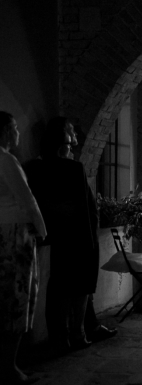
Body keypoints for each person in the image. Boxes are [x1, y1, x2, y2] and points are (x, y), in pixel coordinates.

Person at [23, 117, 101, 353]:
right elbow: (83, 208)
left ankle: (61, 337)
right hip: (79, 236)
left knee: (60, 287)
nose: (74, 144)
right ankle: (78, 333)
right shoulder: (73, 168)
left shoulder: (34, 168)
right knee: (80, 287)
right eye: (70, 141)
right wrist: (90, 237)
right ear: (63, 143)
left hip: (55, 236)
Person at [0, 111, 47, 384]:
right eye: (15, 128)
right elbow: (27, 200)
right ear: (6, 131)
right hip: (14, 234)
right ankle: (9, 366)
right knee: (17, 298)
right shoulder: (7, 161)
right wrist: (42, 231)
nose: (18, 133)